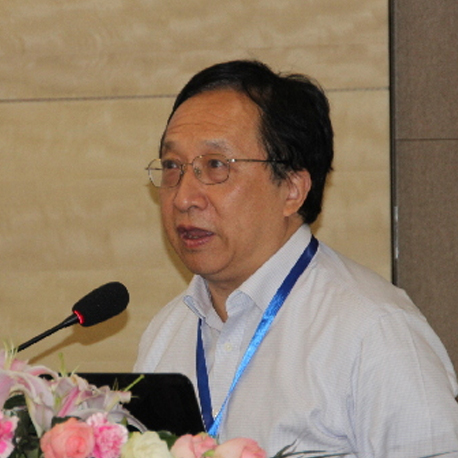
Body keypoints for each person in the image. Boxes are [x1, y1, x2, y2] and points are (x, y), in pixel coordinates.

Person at [135, 60, 458, 457]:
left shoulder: (374, 331)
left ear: (291, 189)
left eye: (215, 166)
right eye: (173, 167)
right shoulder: (165, 334)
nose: (183, 197)